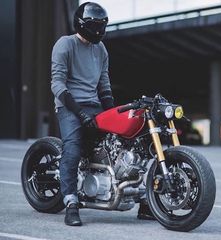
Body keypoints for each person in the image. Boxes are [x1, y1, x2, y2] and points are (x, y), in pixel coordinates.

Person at [51, 1, 154, 227]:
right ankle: (71, 202)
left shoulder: (101, 49)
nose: (99, 31)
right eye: (95, 26)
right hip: (69, 105)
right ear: (82, 24)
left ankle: (144, 201)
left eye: (102, 26)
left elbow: (104, 85)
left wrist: (112, 114)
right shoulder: (65, 44)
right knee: (73, 147)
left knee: (126, 142)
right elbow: (57, 84)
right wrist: (79, 112)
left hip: (94, 104)